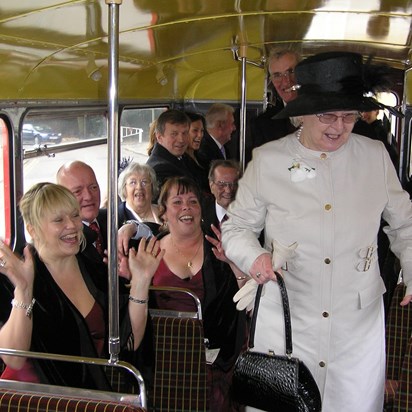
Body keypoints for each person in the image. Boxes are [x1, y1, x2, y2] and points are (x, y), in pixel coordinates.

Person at [222, 51, 412, 412]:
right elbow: (236, 227)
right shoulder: (268, 159)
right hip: (287, 320)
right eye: (327, 115)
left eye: (348, 116)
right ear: (302, 113)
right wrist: (255, 256)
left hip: (356, 326)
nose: (338, 127)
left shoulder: (374, 156)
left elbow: (405, 223)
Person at [0, 182, 161, 392]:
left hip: (89, 392)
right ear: (32, 229)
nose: (72, 225)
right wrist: (23, 290)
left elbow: (128, 343)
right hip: (37, 397)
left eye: (75, 216)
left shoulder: (93, 268)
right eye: (59, 220)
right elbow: (14, 359)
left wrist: (140, 282)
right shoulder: (14, 278)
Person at [147, 176, 247, 411]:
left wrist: (234, 265)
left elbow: (247, 302)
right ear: (163, 213)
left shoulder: (219, 247)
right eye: (177, 201)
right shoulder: (148, 251)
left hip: (217, 364)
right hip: (169, 363)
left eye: (193, 201)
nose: (186, 207)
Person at [247, 48, 301, 163]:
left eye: (291, 71)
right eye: (277, 75)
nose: (286, 81)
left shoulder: (329, 114)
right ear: (271, 80)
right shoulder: (262, 124)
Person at [56, 161, 107, 260]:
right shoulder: (62, 238)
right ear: (62, 198)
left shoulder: (113, 218)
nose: (88, 196)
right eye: (77, 191)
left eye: (93, 187)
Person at [146, 109, 200, 192]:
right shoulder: (161, 169)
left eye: (185, 133)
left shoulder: (183, 157)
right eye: (174, 134)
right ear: (159, 137)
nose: (181, 140)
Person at [202, 159, 241, 237]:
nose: (228, 190)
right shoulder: (201, 214)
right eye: (221, 184)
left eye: (233, 184)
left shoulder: (252, 213)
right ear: (211, 186)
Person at [197, 103, 236, 170]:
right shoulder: (204, 151)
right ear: (220, 125)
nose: (234, 128)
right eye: (232, 124)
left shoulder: (224, 149)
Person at [185, 111, 209, 193]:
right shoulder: (180, 162)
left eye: (202, 131)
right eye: (195, 130)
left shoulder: (203, 157)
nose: (200, 135)